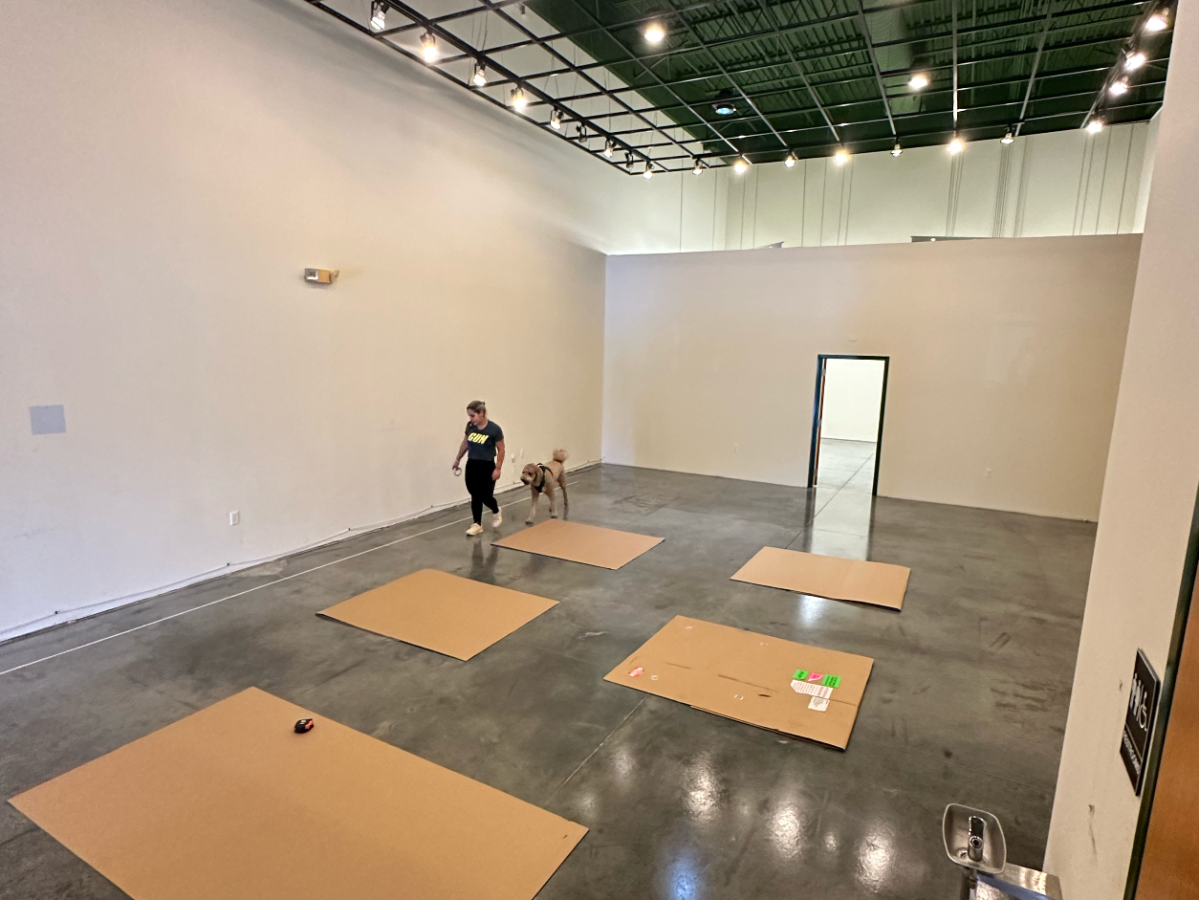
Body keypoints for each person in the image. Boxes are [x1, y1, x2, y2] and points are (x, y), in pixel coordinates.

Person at [453, 400, 505, 536]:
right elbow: (465, 443)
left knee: (485, 495)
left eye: (472, 415)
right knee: (474, 494)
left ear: (481, 413)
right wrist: (457, 459)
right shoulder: (470, 427)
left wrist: (498, 468)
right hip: (472, 464)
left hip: (487, 466)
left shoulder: (494, 429)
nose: (470, 419)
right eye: (469, 416)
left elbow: (501, 449)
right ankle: (477, 524)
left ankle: (496, 510)